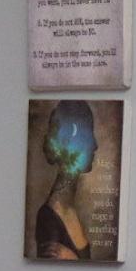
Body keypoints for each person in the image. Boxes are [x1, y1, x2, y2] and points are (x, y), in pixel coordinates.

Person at [33, 100, 98, 261]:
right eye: (89, 134)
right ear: (72, 143)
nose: (95, 145)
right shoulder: (50, 219)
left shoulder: (69, 208)